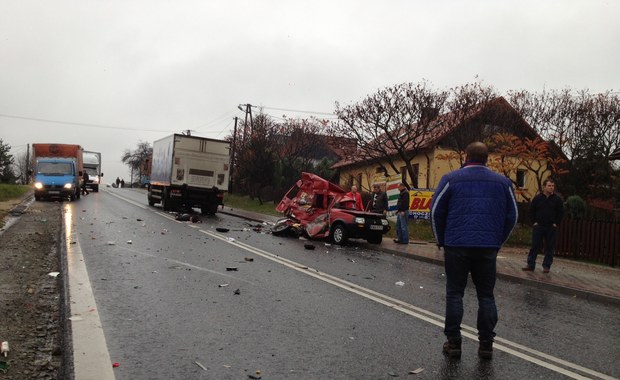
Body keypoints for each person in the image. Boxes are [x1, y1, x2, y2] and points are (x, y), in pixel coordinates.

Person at [430, 142, 518, 360]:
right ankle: (486, 345)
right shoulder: (503, 182)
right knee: (486, 296)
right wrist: (498, 241)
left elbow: (435, 212)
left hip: (457, 245)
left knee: (455, 293)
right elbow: (513, 215)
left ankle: (454, 343)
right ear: (487, 158)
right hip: (488, 247)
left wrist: (441, 239)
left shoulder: (451, 179)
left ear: (466, 156)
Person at [522, 179, 564, 273]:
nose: (551, 187)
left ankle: (546, 266)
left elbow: (560, 213)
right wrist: (534, 222)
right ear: (544, 186)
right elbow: (531, 211)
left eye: (553, 186)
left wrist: (556, 223)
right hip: (539, 226)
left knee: (550, 247)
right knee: (535, 245)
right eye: (549, 186)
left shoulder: (557, 200)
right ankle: (531, 264)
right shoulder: (538, 198)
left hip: (550, 227)